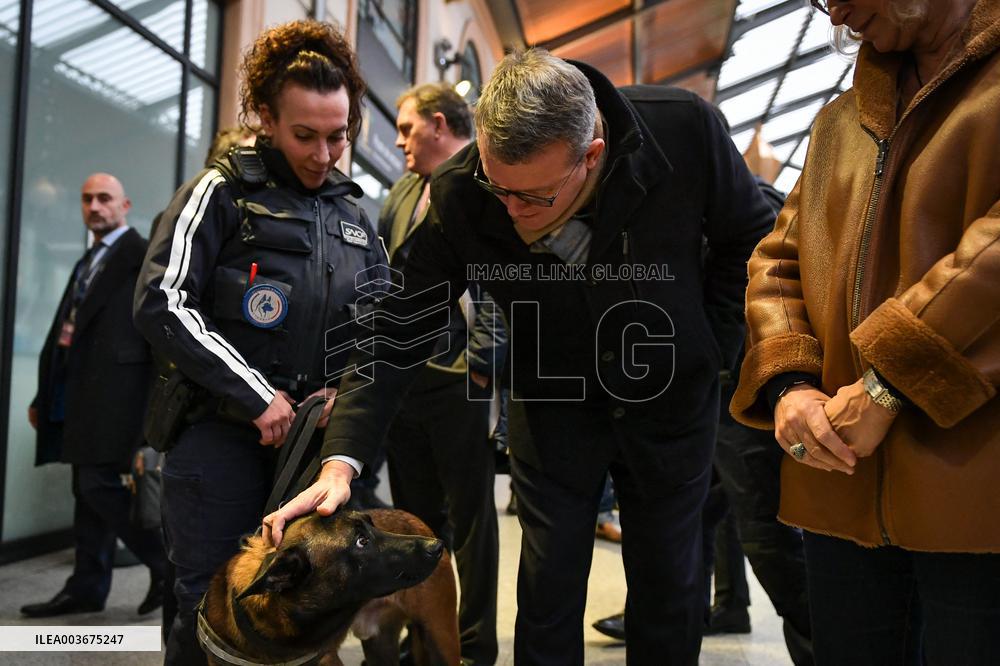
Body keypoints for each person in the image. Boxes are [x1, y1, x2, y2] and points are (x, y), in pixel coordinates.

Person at [266, 48, 775, 664]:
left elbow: (751, 235)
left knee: (670, 583)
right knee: (547, 587)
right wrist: (340, 463)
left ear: (591, 155)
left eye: (532, 196)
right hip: (553, 406)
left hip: (669, 401)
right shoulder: (463, 191)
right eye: (497, 187)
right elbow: (396, 324)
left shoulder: (683, 129)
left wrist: (710, 345)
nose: (509, 212)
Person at [731, 1, 1000, 664]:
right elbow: (779, 257)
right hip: (840, 486)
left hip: (974, 493)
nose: (836, 13)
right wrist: (791, 384)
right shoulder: (840, 120)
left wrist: (886, 386)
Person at [133, 19, 385, 665]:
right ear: (267, 118)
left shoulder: (355, 218)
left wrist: (345, 396)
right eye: (305, 135)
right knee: (208, 605)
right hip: (220, 440)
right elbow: (162, 299)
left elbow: (382, 328)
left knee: (300, 613)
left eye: (338, 136)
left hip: (311, 454)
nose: (323, 154)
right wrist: (254, 395)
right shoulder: (219, 191)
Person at [380, 82, 507, 665]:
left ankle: (475, 645)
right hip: (406, 379)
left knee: (473, 521)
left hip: (462, 377)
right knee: (414, 519)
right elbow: (388, 282)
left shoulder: (488, 179)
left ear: (437, 123)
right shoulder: (400, 194)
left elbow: (504, 283)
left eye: (407, 129)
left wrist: (482, 365)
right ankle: (424, 637)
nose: (400, 141)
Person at [21, 173, 166, 618]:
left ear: (125, 205)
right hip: (78, 394)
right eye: (87, 199)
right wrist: (44, 395)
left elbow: (156, 334)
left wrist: (152, 409)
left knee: (98, 484)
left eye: (105, 198)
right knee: (85, 492)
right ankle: (86, 585)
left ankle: (165, 564)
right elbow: (72, 331)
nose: (94, 206)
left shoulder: (140, 255)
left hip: (118, 398)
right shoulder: (91, 259)